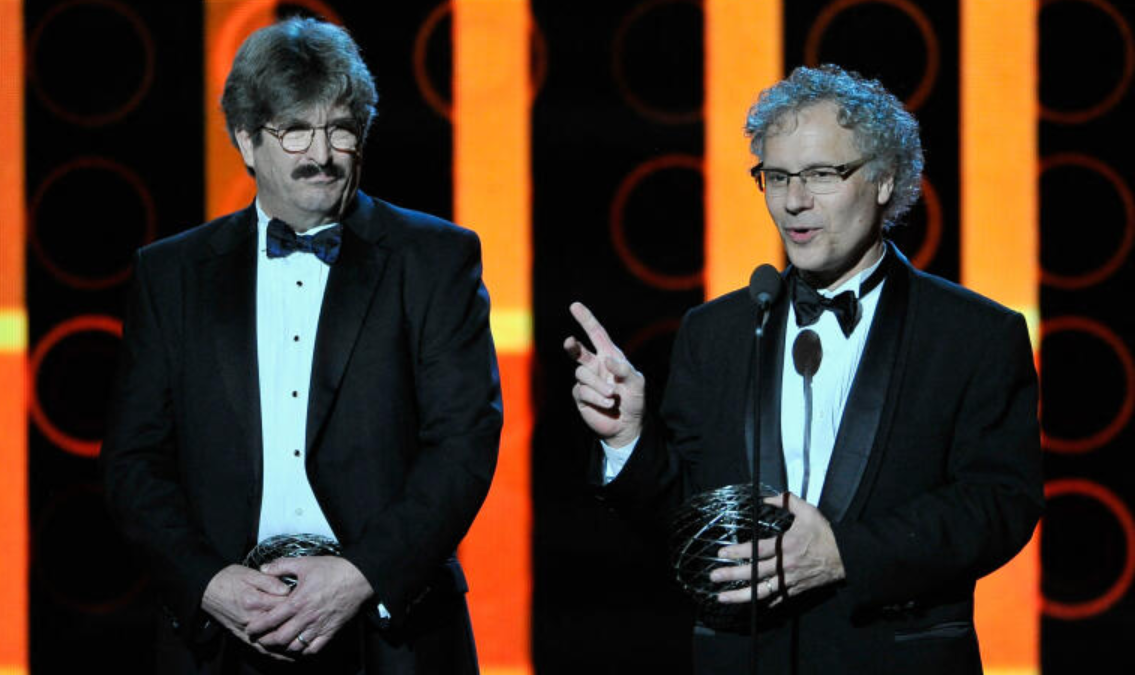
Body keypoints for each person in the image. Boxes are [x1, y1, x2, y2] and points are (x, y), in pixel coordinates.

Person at [565, 65, 1042, 674]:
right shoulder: (716, 333)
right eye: (778, 176)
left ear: (883, 179)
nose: (793, 200)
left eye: (821, 174)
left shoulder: (974, 334)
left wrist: (845, 553)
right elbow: (688, 519)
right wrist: (629, 438)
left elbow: (999, 504)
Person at [102, 17, 501, 674]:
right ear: (247, 141)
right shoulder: (170, 275)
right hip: (220, 637)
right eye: (295, 130)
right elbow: (133, 462)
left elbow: (463, 443)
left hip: (389, 633)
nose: (323, 152)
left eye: (341, 128)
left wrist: (359, 575)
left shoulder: (435, 259)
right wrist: (208, 583)